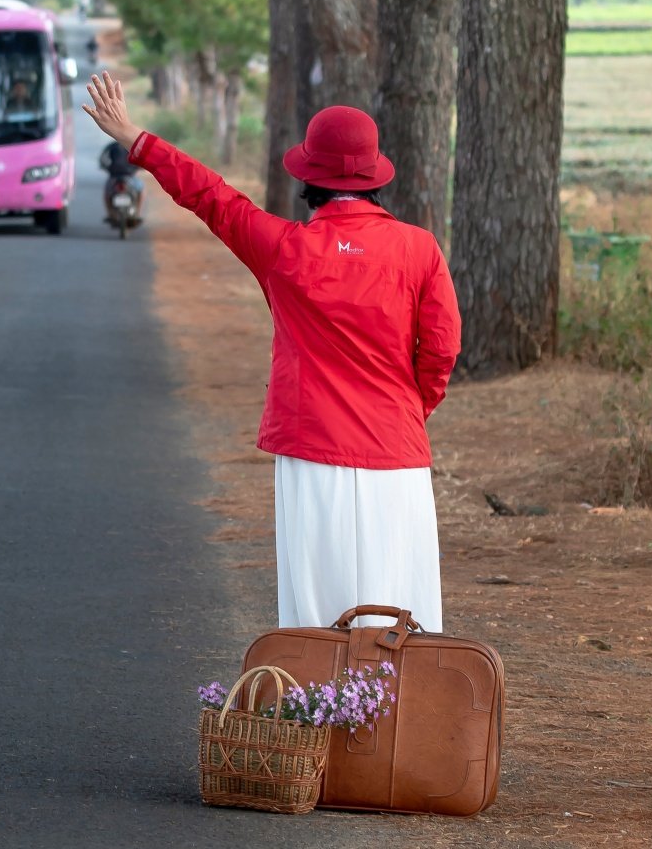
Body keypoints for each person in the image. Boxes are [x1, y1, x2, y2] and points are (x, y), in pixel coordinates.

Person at [82, 71, 460, 632]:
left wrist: (137, 140)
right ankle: (404, 719)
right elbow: (442, 351)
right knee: (404, 612)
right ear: (377, 176)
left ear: (308, 176)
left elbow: (212, 197)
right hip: (396, 454)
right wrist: (405, 412)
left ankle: (317, 717)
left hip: (312, 451)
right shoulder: (419, 248)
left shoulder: (285, 249)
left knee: (316, 615)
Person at [99, 138, 145, 225]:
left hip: (114, 177)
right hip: (130, 177)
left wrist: (106, 167)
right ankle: (138, 213)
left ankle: (111, 214)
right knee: (141, 191)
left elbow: (102, 159)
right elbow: (141, 159)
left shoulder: (112, 146)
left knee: (107, 193)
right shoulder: (133, 147)